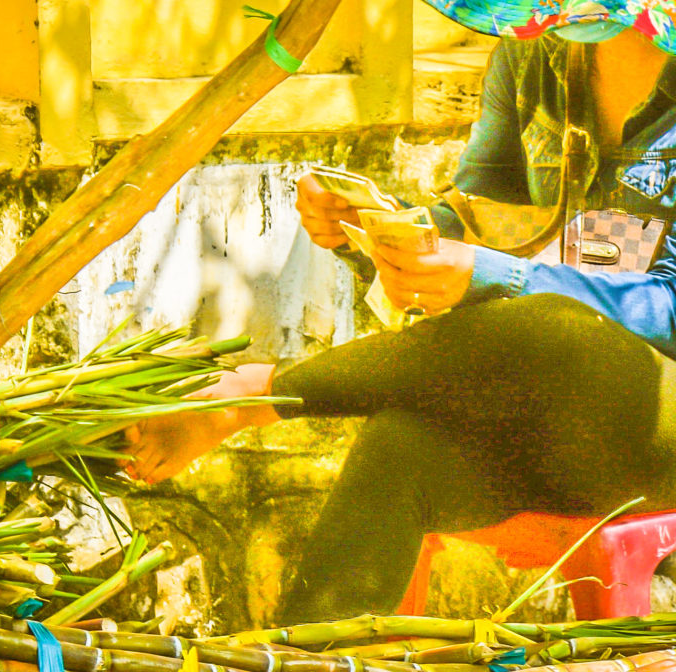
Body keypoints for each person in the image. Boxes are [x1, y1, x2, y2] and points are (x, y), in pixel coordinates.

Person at [125, 0, 676, 625]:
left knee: (556, 325)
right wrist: (386, 230)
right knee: (398, 443)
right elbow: (483, 223)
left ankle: (258, 394)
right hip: (546, 416)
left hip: (651, 426)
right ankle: (313, 661)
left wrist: (494, 275)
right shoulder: (531, 54)